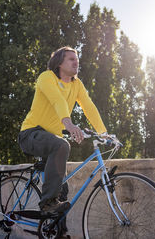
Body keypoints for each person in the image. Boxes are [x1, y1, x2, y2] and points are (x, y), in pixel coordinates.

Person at [18, 46, 107, 216]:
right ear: (59, 63)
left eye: (77, 59)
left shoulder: (77, 84)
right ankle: (47, 203)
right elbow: (57, 100)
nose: (76, 62)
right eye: (71, 59)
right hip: (30, 134)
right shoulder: (46, 77)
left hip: (50, 138)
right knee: (62, 145)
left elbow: (88, 106)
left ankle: (55, 231)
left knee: (62, 189)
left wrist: (103, 133)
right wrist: (70, 125)